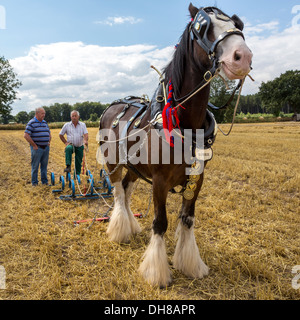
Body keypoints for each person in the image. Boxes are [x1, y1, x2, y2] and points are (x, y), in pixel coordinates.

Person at [24, 107, 51, 186]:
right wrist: (34, 145)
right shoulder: (31, 123)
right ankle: (35, 183)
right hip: (37, 148)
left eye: (44, 113)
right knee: (35, 166)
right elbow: (26, 135)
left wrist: (48, 142)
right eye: (42, 113)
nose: (44, 115)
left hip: (45, 148)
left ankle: (44, 182)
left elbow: (48, 133)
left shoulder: (45, 122)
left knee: (44, 166)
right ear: (37, 113)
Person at [59, 110, 88, 175]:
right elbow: (61, 135)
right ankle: (68, 166)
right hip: (71, 145)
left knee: (78, 162)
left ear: (78, 117)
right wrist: (66, 143)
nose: (74, 117)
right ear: (70, 117)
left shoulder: (83, 125)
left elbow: (86, 134)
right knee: (68, 148)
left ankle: (76, 176)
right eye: (73, 116)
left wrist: (85, 140)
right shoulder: (67, 125)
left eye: (75, 116)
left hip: (80, 146)